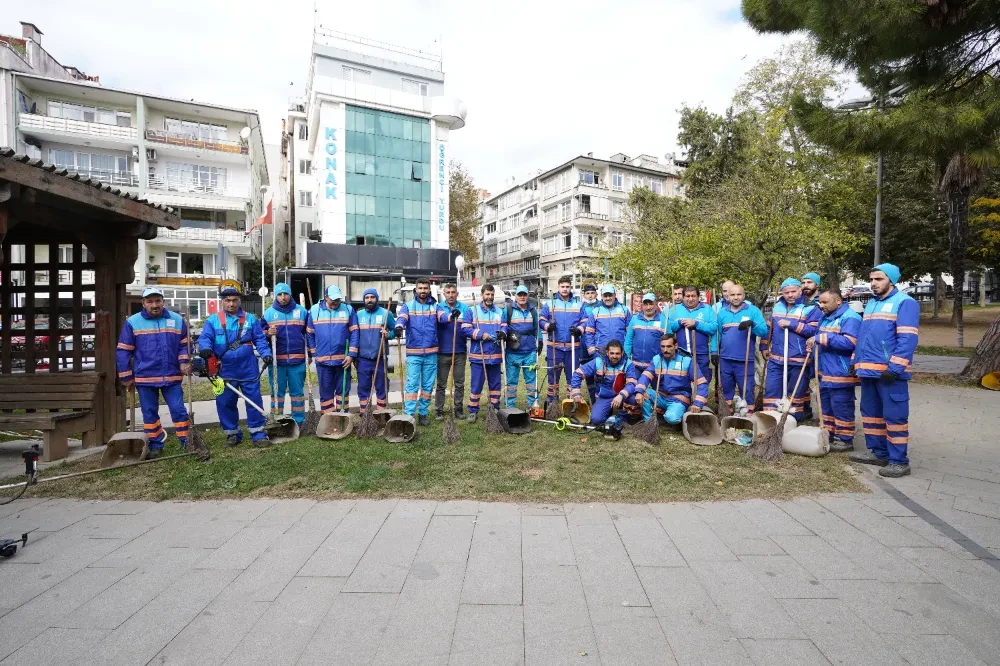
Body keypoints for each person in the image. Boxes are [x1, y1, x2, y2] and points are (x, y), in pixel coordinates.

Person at [849, 264, 919, 477]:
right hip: (868, 371)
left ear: (891, 280)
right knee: (870, 415)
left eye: (878, 279)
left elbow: (908, 338)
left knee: (894, 416)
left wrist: (896, 367)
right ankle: (878, 452)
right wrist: (855, 361)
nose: (873, 283)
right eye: (871, 279)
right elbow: (864, 337)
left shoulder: (905, 303)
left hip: (890, 374)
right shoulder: (870, 304)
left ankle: (899, 461)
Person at [116, 287, 191, 460]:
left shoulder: (177, 320)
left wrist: (184, 361)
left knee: (178, 410)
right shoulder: (133, 322)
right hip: (145, 377)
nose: (154, 305)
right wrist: (126, 376)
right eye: (150, 301)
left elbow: (184, 344)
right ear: (143, 303)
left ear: (163, 301)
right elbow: (123, 351)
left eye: (157, 301)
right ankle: (155, 444)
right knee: (149, 413)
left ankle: (187, 440)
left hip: (172, 375)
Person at [198, 286, 272, 447]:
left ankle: (258, 433)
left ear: (240, 301)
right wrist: (205, 349)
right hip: (223, 369)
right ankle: (232, 434)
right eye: (227, 300)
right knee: (225, 402)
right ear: (222, 302)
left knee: (254, 400)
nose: (231, 304)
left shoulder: (251, 319)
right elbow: (205, 338)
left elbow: (259, 339)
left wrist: (266, 353)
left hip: (248, 368)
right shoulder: (212, 320)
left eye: (234, 300)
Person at [808, 289, 861, 452]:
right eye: (820, 302)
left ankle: (845, 439)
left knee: (841, 405)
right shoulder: (825, 318)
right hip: (825, 370)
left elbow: (851, 342)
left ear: (838, 301)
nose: (821, 305)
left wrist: (823, 338)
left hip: (841, 371)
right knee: (826, 405)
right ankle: (828, 433)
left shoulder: (850, 317)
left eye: (825, 302)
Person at [762, 278, 821, 421]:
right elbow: (768, 328)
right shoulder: (777, 307)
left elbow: (814, 331)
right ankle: (771, 421)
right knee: (771, 391)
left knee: (795, 393)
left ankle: (791, 421)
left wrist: (792, 325)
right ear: (782, 293)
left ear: (800, 290)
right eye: (787, 292)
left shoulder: (811, 308)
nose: (790, 295)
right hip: (776, 358)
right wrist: (764, 346)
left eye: (793, 291)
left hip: (799, 359)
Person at [715, 284, 769, 414]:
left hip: (744, 359)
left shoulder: (753, 311)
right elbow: (717, 335)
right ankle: (726, 413)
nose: (735, 297)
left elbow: (763, 330)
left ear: (744, 295)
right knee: (726, 387)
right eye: (732, 295)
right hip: (726, 358)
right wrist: (714, 352)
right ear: (727, 296)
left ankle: (748, 414)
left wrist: (753, 324)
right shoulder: (722, 313)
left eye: (739, 294)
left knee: (747, 388)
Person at [634, 334, 709, 426]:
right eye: (663, 346)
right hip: (660, 396)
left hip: (678, 399)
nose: (665, 350)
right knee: (643, 392)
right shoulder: (657, 359)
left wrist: (698, 403)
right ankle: (650, 423)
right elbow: (646, 376)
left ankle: (674, 414)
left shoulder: (687, 361)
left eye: (669, 346)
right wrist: (639, 391)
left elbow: (702, 383)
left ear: (676, 346)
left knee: (672, 418)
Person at [307, 285, 359, 415]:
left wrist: (351, 354)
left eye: (338, 299)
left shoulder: (348, 309)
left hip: (343, 361)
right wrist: (314, 353)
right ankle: (329, 419)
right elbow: (309, 333)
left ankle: (343, 416)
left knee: (343, 392)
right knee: (325, 393)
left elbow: (355, 332)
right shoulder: (314, 310)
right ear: (325, 297)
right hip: (323, 362)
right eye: (333, 299)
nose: (336, 302)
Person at [394, 278, 438, 426]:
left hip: (431, 353)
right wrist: (399, 326)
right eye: (420, 288)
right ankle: (409, 414)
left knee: (427, 386)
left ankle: (423, 414)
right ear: (416, 290)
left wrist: (451, 316)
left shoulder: (435, 306)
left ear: (429, 290)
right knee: (412, 385)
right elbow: (402, 318)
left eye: (425, 288)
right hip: (414, 353)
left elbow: (443, 317)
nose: (423, 291)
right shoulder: (408, 306)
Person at [262, 283, 308, 425]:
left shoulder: (302, 312)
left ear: (290, 294)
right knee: (277, 394)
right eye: (280, 294)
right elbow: (259, 335)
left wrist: (311, 354)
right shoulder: (268, 313)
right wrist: (268, 333)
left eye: (285, 294)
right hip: (277, 363)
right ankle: (276, 420)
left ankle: (298, 422)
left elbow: (310, 333)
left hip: (297, 362)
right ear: (275, 296)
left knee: (297, 395)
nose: (283, 297)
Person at [570, 339, 641, 427]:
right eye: (612, 353)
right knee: (596, 419)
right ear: (607, 352)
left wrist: (621, 395)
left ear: (622, 353)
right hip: (605, 396)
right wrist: (576, 393)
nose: (614, 356)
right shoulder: (598, 361)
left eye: (617, 353)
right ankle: (610, 418)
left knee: (634, 399)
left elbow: (632, 384)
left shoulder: (628, 363)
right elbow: (578, 373)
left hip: (623, 396)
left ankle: (623, 419)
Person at [462, 283, 506, 423]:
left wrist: (502, 334)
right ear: (482, 295)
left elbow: (505, 327)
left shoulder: (500, 312)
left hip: (495, 355)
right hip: (478, 355)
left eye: (492, 295)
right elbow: (465, 329)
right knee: (476, 385)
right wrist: (481, 334)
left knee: (495, 385)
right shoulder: (472, 311)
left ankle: (494, 408)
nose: (490, 297)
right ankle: (473, 411)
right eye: (487, 294)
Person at [540, 275, 583, 407]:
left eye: (567, 287)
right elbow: (541, 320)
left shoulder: (578, 304)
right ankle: (553, 401)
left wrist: (579, 330)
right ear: (558, 287)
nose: (565, 289)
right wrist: (548, 326)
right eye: (562, 286)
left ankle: (571, 403)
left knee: (573, 377)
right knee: (553, 376)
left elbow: (586, 321)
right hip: (555, 347)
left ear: (570, 288)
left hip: (572, 348)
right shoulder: (550, 303)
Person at [356, 288, 394, 415]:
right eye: (367, 297)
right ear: (364, 300)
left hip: (380, 357)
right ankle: (364, 416)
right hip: (363, 359)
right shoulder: (358, 315)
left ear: (376, 298)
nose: (369, 300)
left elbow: (395, 331)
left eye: (372, 297)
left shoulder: (386, 313)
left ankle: (381, 415)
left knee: (381, 387)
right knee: (363, 388)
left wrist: (389, 334)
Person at [668, 286, 717, 382]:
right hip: (681, 354)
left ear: (698, 297)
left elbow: (713, 328)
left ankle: (700, 397)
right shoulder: (675, 309)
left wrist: (696, 324)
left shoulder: (707, 309)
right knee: (682, 382)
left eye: (693, 296)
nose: (690, 299)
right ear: (683, 297)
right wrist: (679, 323)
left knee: (702, 380)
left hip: (701, 353)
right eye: (687, 296)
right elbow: (668, 327)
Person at [434, 283, 469, 420]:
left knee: (459, 383)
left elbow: (468, 326)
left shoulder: (465, 308)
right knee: (441, 383)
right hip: (442, 351)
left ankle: (458, 408)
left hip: (459, 351)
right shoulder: (438, 307)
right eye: (448, 292)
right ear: (444, 294)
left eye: (453, 292)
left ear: (457, 293)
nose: (450, 295)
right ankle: (439, 410)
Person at [504, 286, 541, 408]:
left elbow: (537, 328)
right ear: (516, 296)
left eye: (524, 294)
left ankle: (534, 405)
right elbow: (503, 326)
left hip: (530, 352)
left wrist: (540, 340)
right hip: (513, 352)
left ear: (527, 296)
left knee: (531, 381)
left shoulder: (533, 311)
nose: (522, 297)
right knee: (511, 382)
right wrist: (507, 334)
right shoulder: (508, 310)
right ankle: (510, 406)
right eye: (520, 295)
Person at [583, 284, 631, 360]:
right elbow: (589, 333)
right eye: (605, 296)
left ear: (615, 295)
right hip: (600, 352)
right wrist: (592, 351)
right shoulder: (596, 311)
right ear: (601, 296)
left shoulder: (624, 310)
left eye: (610, 295)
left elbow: (630, 333)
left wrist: (627, 351)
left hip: (619, 352)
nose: (608, 298)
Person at [624, 292, 666, 370]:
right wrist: (627, 358)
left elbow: (668, 343)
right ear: (642, 305)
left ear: (656, 304)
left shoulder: (664, 321)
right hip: (635, 365)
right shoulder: (634, 319)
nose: (648, 307)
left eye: (651, 304)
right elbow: (628, 340)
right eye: (646, 304)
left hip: (655, 366)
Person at [575, 282, 600, 402]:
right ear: (584, 295)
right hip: (584, 346)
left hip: (598, 344)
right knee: (588, 373)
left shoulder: (601, 306)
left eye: (592, 293)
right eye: (588, 293)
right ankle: (592, 399)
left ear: (596, 293)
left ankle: (601, 398)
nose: (590, 296)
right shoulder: (581, 307)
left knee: (600, 372)